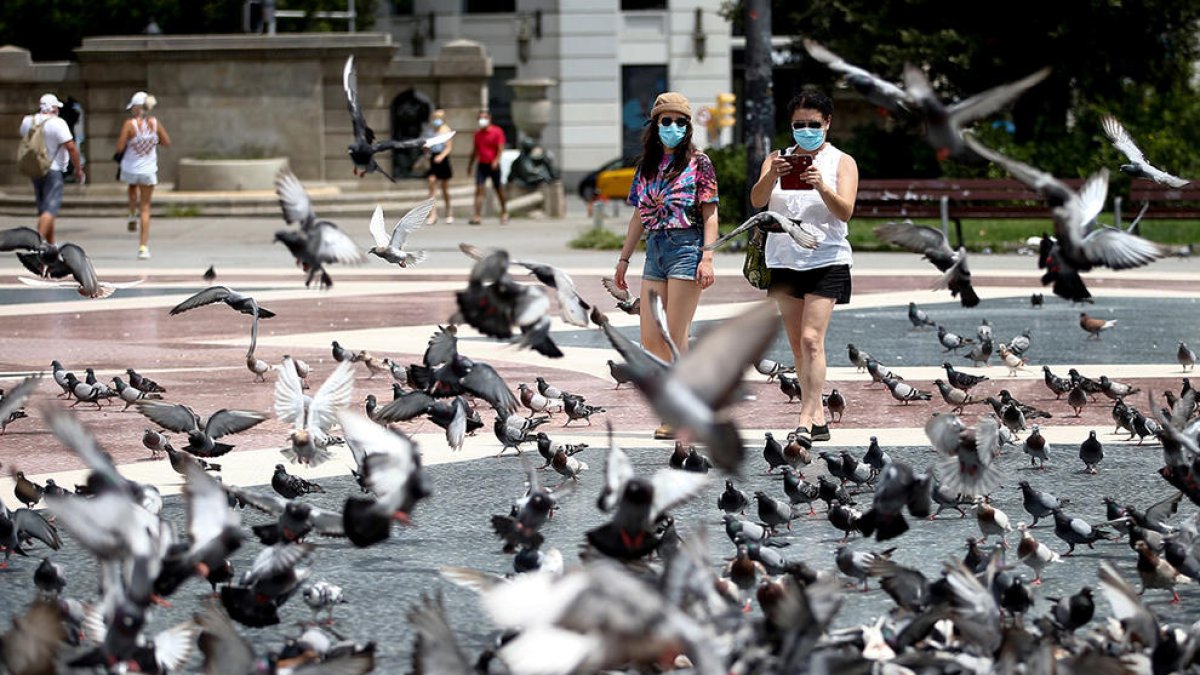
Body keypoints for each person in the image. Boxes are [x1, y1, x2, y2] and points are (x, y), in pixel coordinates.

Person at [749, 88, 859, 445]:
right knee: (799, 345)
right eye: (799, 124)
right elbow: (756, 200)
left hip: (826, 258)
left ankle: (806, 417)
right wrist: (771, 175)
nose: (806, 130)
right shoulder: (776, 158)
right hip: (783, 260)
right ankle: (820, 417)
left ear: (827, 123)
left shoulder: (842, 162)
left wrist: (821, 186)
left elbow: (844, 211)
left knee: (813, 339)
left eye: (813, 123)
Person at [612, 92, 719, 440]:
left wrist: (708, 256)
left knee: (675, 334)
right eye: (666, 120)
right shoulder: (646, 165)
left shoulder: (699, 163)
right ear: (655, 124)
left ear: (687, 126)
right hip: (655, 249)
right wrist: (623, 260)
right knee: (649, 337)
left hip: (687, 247)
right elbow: (637, 216)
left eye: (679, 121)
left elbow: (711, 213)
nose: (672, 127)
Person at [19, 93, 84, 244]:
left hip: (36, 169)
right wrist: (78, 169)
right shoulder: (57, 123)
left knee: (44, 209)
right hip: (53, 170)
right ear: (54, 108)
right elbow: (71, 147)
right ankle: (37, 245)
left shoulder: (28, 121)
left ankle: (50, 245)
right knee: (51, 209)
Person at [115, 91, 171, 260]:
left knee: (132, 188)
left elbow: (119, 147)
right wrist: (151, 141)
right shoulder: (154, 123)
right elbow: (167, 142)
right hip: (148, 169)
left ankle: (132, 212)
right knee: (146, 207)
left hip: (131, 168)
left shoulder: (129, 125)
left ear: (135, 108)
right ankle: (143, 246)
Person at [466, 109, 508, 225]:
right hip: (482, 164)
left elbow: (500, 148)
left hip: (493, 165)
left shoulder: (497, 131)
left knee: (498, 189)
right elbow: (475, 151)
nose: (482, 120)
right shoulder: (477, 134)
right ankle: (477, 215)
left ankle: (504, 211)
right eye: (480, 118)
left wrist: (496, 160)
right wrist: (470, 165)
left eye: (484, 118)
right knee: (479, 189)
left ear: (489, 119)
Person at [424, 108, 454, 224]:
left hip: (442, 159)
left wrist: (441, 156)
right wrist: (426, 150)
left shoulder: (446, 130)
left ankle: (448, 211)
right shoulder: (430, 131)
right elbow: (427, 146)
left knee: (444, 188)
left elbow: (449, 147)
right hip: (433, 158)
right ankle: (433, 214)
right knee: (431, 185)